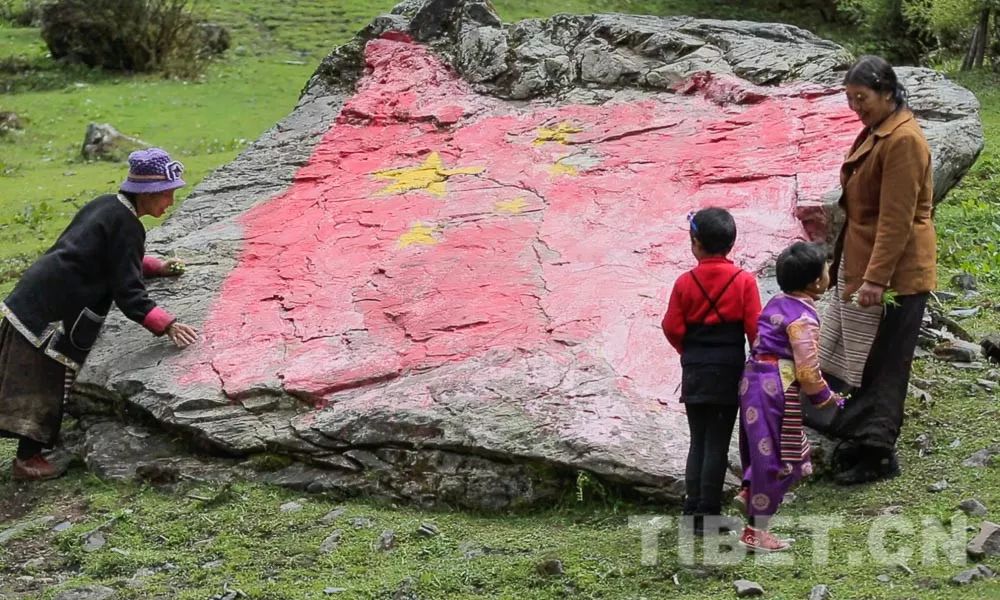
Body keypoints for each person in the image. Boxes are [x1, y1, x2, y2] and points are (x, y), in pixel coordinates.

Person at [0, 148, 198, 481]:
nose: (170, 202)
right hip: (51, 315)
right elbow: (128, 292)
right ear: (146, 194)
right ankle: (27, 460)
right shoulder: (127, 226)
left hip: (29, 300)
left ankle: (30, 453)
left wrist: (155, 266)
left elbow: (113, 258)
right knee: (40, 387)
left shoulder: (107, 206)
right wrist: (167, 324)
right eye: (166, 194)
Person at [810, 55, 936, 486]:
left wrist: (876, 280)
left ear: (887, 92)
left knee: (883, 365)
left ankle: (878, 453)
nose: (855, 107)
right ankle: (860, 442)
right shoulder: (878, 132)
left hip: (898, 275)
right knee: (859, 359)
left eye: (861, 98)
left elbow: (896, 221)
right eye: (849, 99)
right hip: (866, 264)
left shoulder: (903, 141)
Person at [735, 242, 844, 552]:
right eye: (826, 269)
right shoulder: (804, 319)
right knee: (783, 458)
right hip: (776, 387)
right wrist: (826, 398)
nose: (828, 274)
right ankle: (758, 530)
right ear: (816, 282)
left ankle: (749, 491)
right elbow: (808, 370)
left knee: (759, 447)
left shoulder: (775, 304)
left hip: (752, 379)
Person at [662, 207, 761, 536]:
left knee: (698, 439)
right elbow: (755, 330)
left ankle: (693, 510)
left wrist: (687, 351)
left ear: (695, 243)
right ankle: (709, 511)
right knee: (717, 442)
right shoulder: (744, 281)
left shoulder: (684, 283)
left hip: (694, 368)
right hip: (728, 368)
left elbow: (672, 327)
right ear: (732, 244)